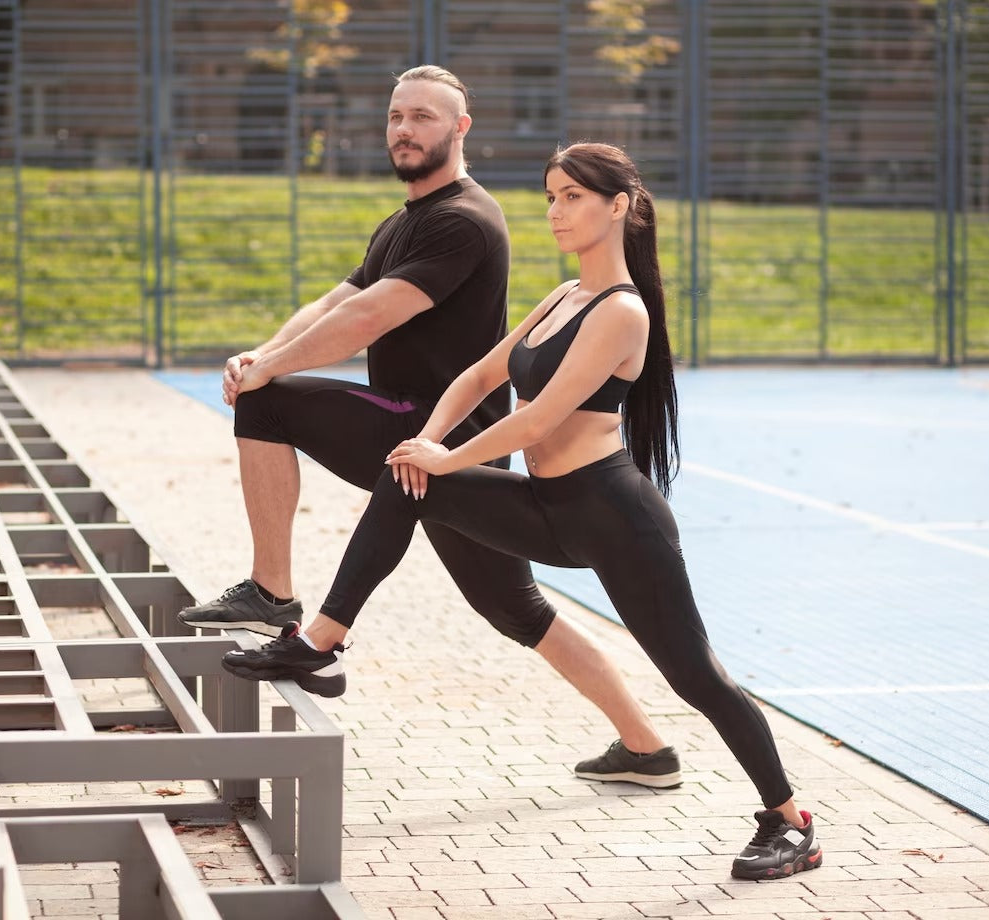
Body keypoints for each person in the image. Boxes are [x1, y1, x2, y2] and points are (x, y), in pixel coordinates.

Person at [222, 141, 824, 881]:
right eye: (550, 196)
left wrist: (449, 459)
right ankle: (321, 640)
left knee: (696, 677)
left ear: (619, 207)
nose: (555, 211)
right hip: (546, 508)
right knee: (404, 473)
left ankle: (788, 818)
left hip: (613, 517)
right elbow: (479, 375)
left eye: (572, 196)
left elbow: (538, 421)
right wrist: (429, 441)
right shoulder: (563, 296)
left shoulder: (621, 312)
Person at [179, 66, 682, 789]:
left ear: (459, 128)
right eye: (395, 117)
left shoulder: (463, 219)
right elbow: (337, 299)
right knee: (516, 607)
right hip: (421, 442)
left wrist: (267, 375)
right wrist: (264, 353)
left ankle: (272, 592)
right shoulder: (407, 220)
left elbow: (369, 317)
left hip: (433, 432)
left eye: (422, 117)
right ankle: (647, 747)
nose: (405, 130)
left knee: (271, 404)